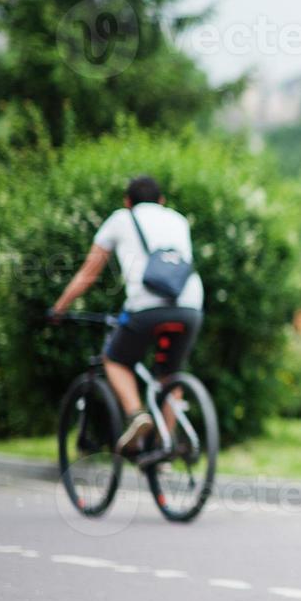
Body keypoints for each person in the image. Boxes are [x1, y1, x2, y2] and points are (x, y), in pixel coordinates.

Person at [50, 175, 205, 465]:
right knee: (169, 374)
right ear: (162, 201)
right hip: (191, 305)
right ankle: (164, 449)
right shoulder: (178, 220)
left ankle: (137, 415)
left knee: (115, 359)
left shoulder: (121, 219)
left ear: (127, 201)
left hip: (146, 308)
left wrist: (59, 307)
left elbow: (89, 273)